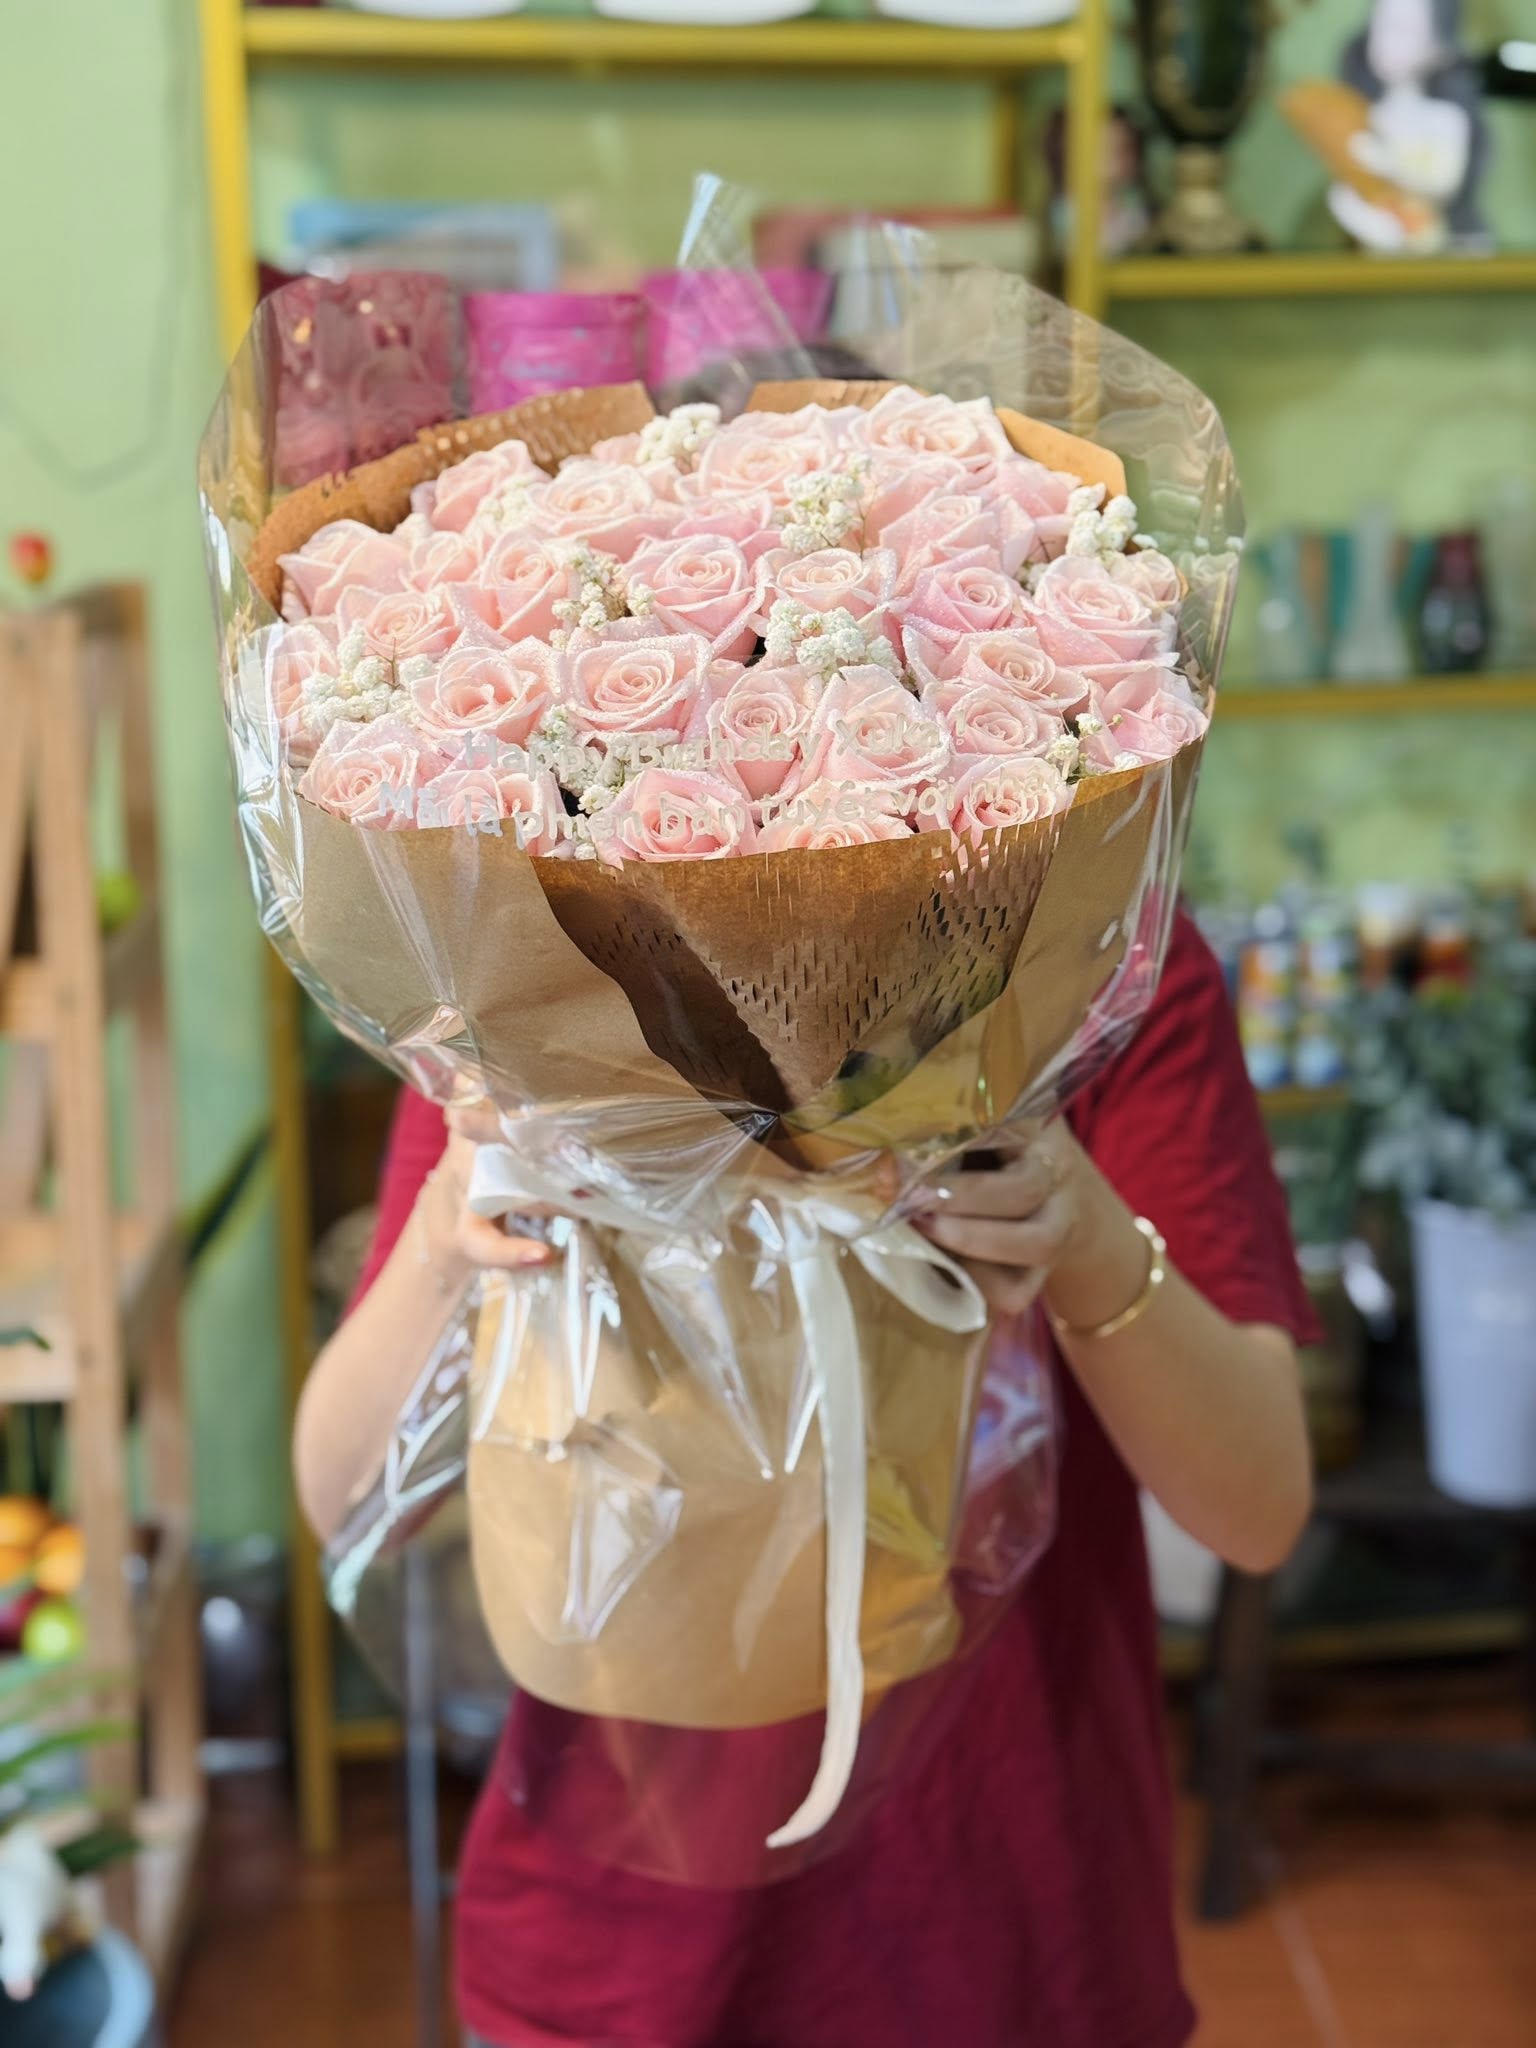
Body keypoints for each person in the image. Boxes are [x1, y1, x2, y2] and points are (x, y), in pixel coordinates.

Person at [295, 905, 1316, 2048]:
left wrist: (1080, 1231)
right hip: (618, 1953)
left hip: (1009, 1921)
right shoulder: (520, 966)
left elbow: (1258, 1506)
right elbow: (345, 1495)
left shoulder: (1090, 943)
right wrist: (451, 1220)